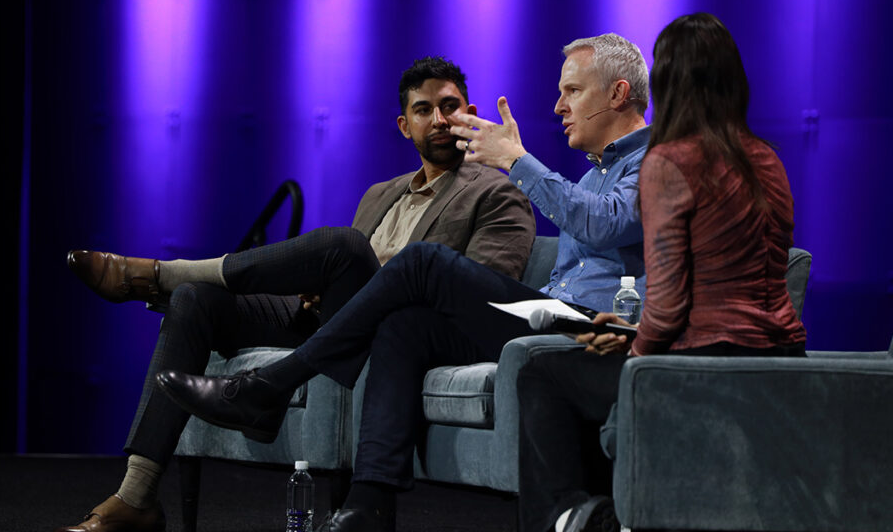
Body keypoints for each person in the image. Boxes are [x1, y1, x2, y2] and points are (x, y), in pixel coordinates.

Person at [157, 33, 651, 532]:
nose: (558, 104)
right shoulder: (590, 177)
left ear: (616, 94)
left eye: (572, 91)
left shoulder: (655, 162)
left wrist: (515, 160)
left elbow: (603, 223)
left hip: (600, 326)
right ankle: (369, 503)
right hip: (551, 316)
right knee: (404, 325)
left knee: (421, 263)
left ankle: (269, 384)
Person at [56, 56, 536, 532]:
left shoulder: (496, 192)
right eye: (424, 109)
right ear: (403, 125)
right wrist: (320, 289)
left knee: (344, 246)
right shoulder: (380, 194)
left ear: (471, 112)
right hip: (331, 318)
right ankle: (136, 495)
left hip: (396, 329)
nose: (439, 119)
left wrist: (361, 282)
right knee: (196, 301)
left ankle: (159, 274)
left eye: (450, 107)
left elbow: (475, 291)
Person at [515, 13, 808, 532]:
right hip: (781, 357)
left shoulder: (669, 163)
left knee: (543, 372)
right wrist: (630, 329)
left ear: (668, 84)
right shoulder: (768, 160)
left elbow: (670, 304)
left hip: (696, 367)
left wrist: (636, 355)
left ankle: (572, 518)